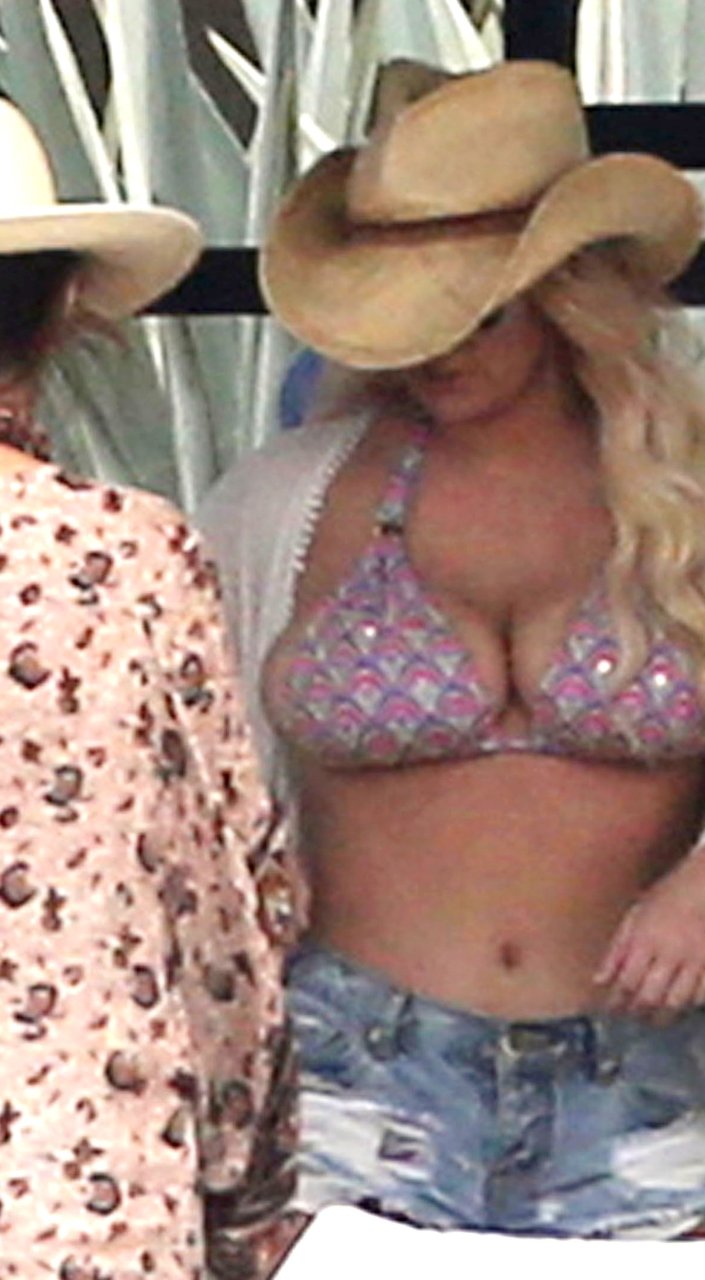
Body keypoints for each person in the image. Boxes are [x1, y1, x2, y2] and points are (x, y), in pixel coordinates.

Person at [199, 60, 705, 1239]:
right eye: (410, 315)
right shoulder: (283, 504)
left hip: (637, 1077)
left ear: (565, 296)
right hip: (352, 1068)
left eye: (478, 312)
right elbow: (197, 763)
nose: (439, 352)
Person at [0, 99, 305, 1277]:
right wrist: (245, 1180)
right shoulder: (126, 559)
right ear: (63, 312)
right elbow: (220, 904)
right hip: (80, 1206)